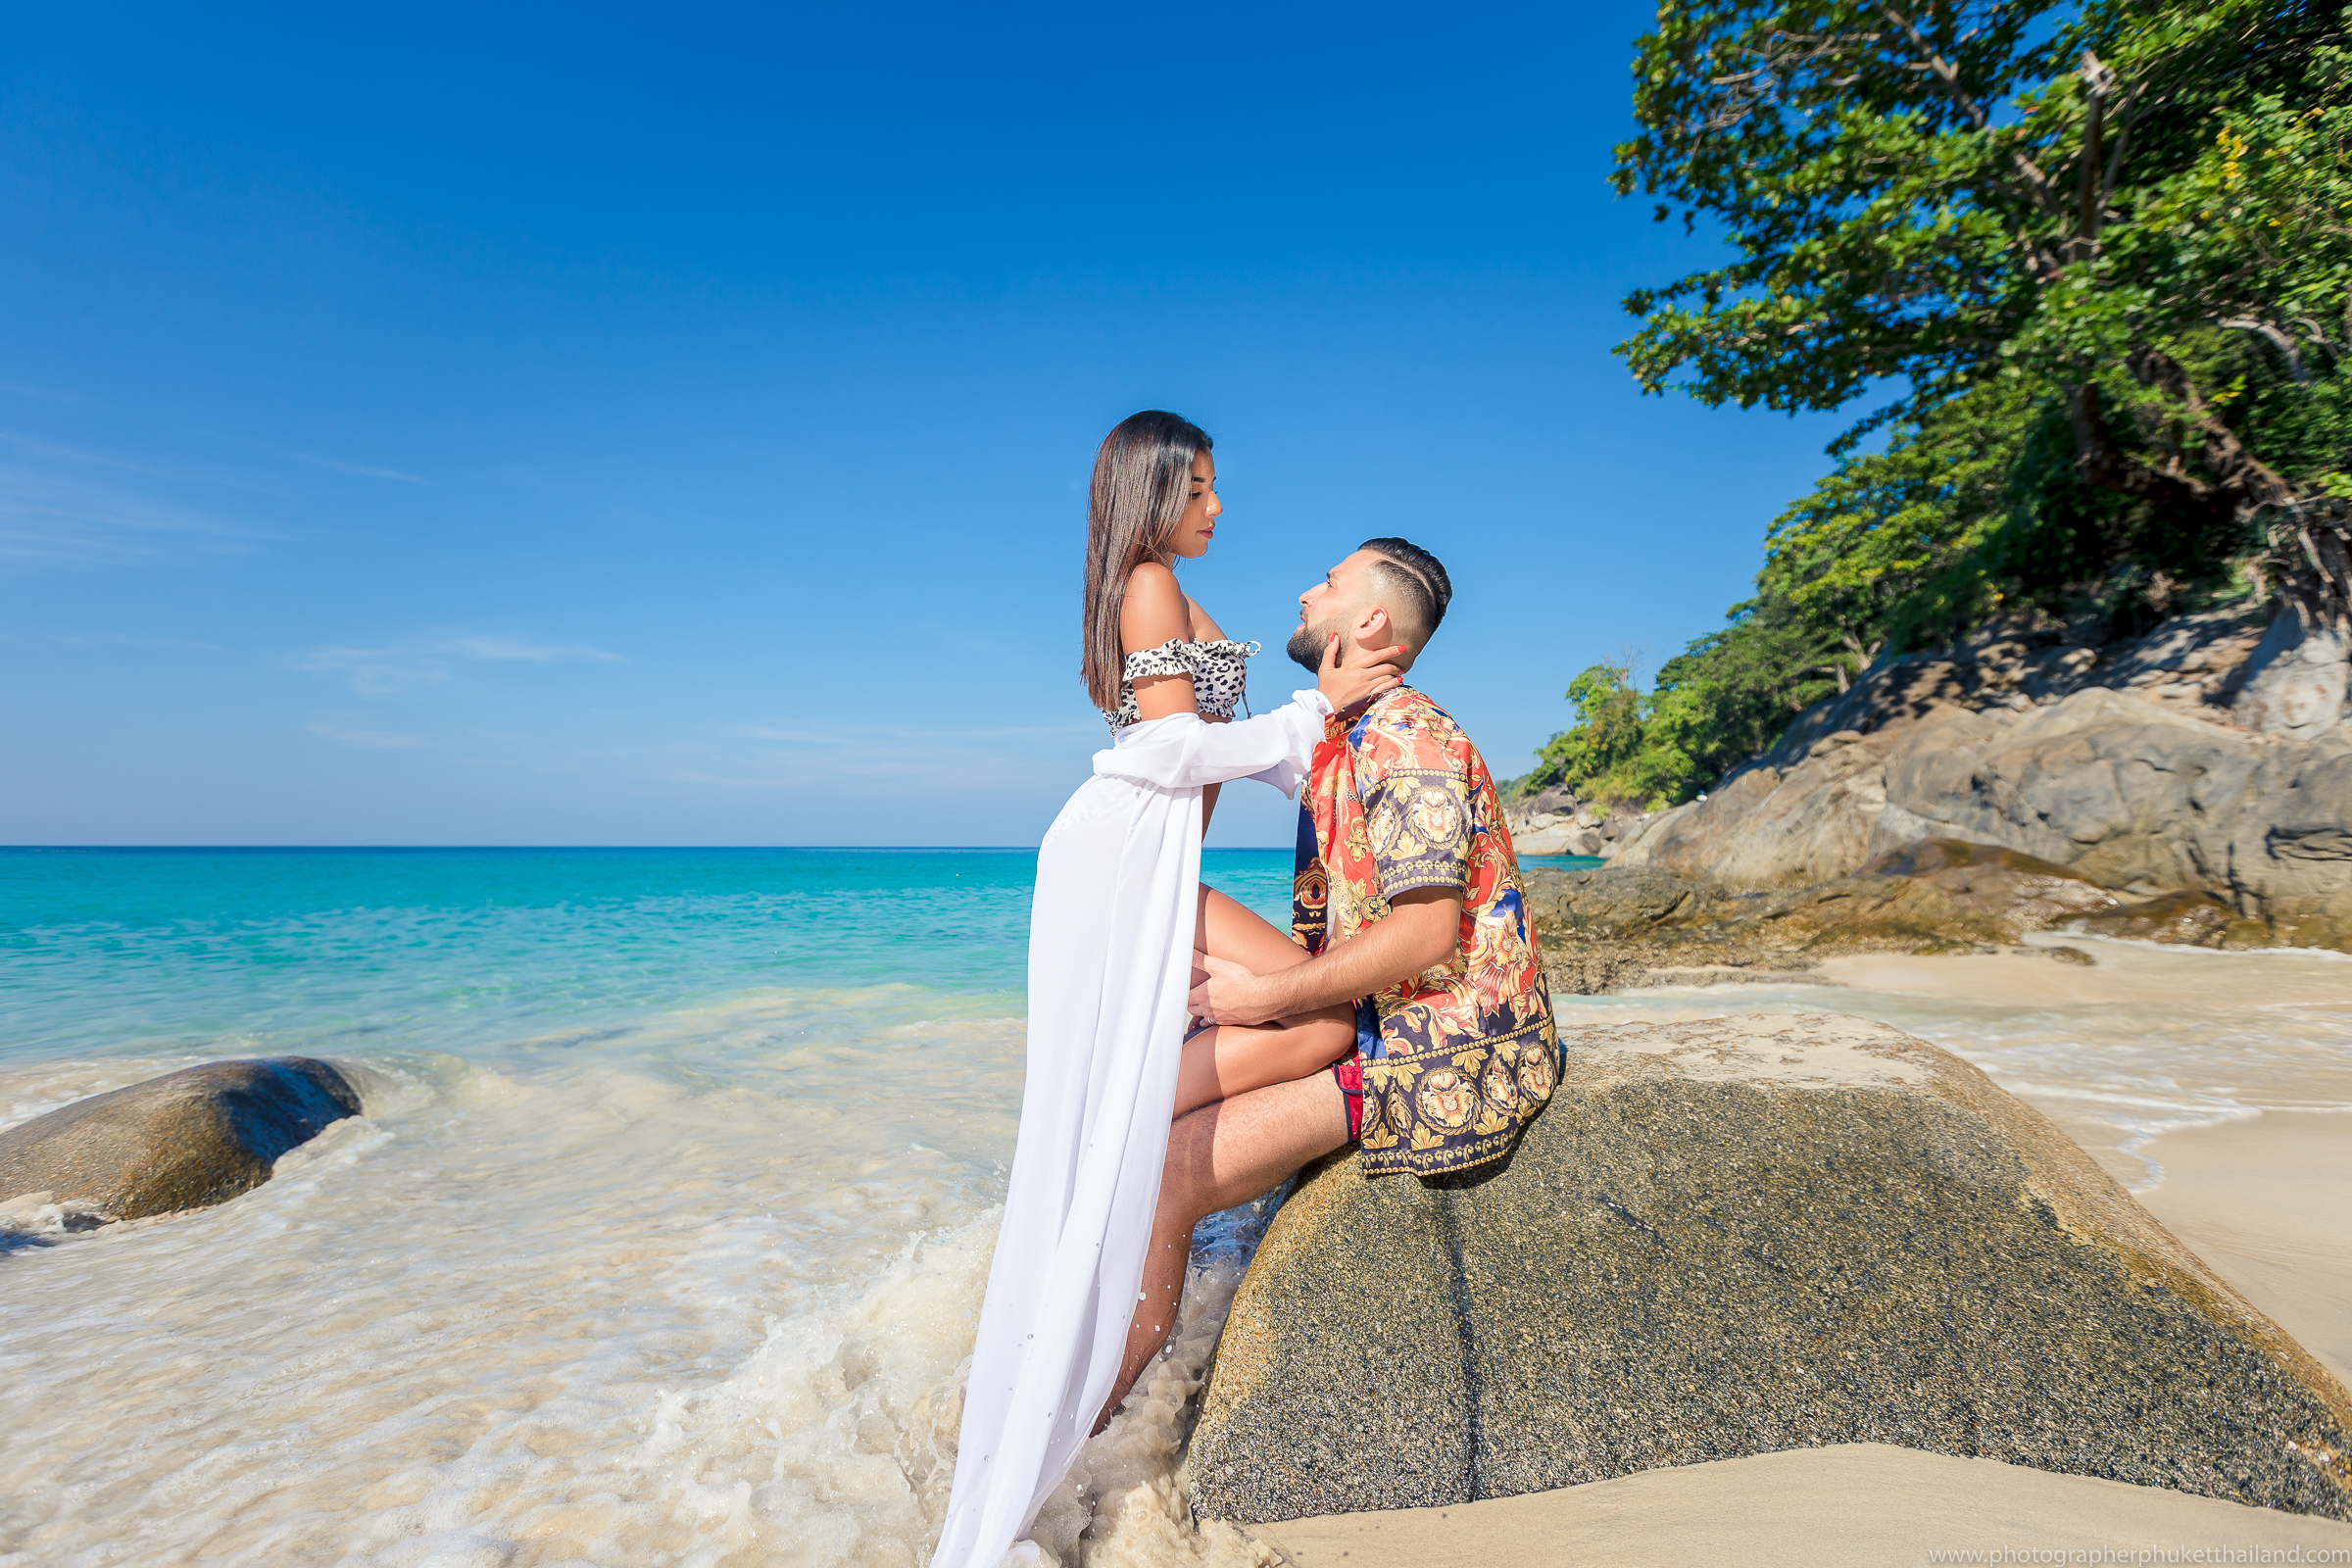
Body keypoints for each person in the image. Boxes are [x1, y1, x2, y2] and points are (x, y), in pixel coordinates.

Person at [930, 414, 1407, 1568]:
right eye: (1202, 486)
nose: (1218, 506)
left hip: (1157, 867)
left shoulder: (1163, 589)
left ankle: (1091, 1393)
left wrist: (1344, 732)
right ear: (1155, 492)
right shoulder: (1146, 580)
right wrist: (1298, 721)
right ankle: (1077, 1394)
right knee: (1320, 1015)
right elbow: (1162, 753)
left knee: (1315, 1013)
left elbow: (1232, 745)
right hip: (1116, 859)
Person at [1093, 538, 1559, 1424]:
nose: (1308, 590)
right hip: (1370, 1024)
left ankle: (1085, 1432)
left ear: (1371, 621)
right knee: (1147, 1109)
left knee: (1164, 1175)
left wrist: (1266, 997)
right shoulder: (1343, 735)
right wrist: (1152, 582)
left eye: (1331, 583)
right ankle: (1078, 1370)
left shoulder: (1405, 736)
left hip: (1441, 1051)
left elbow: (1424, 933)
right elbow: (1194, 746)